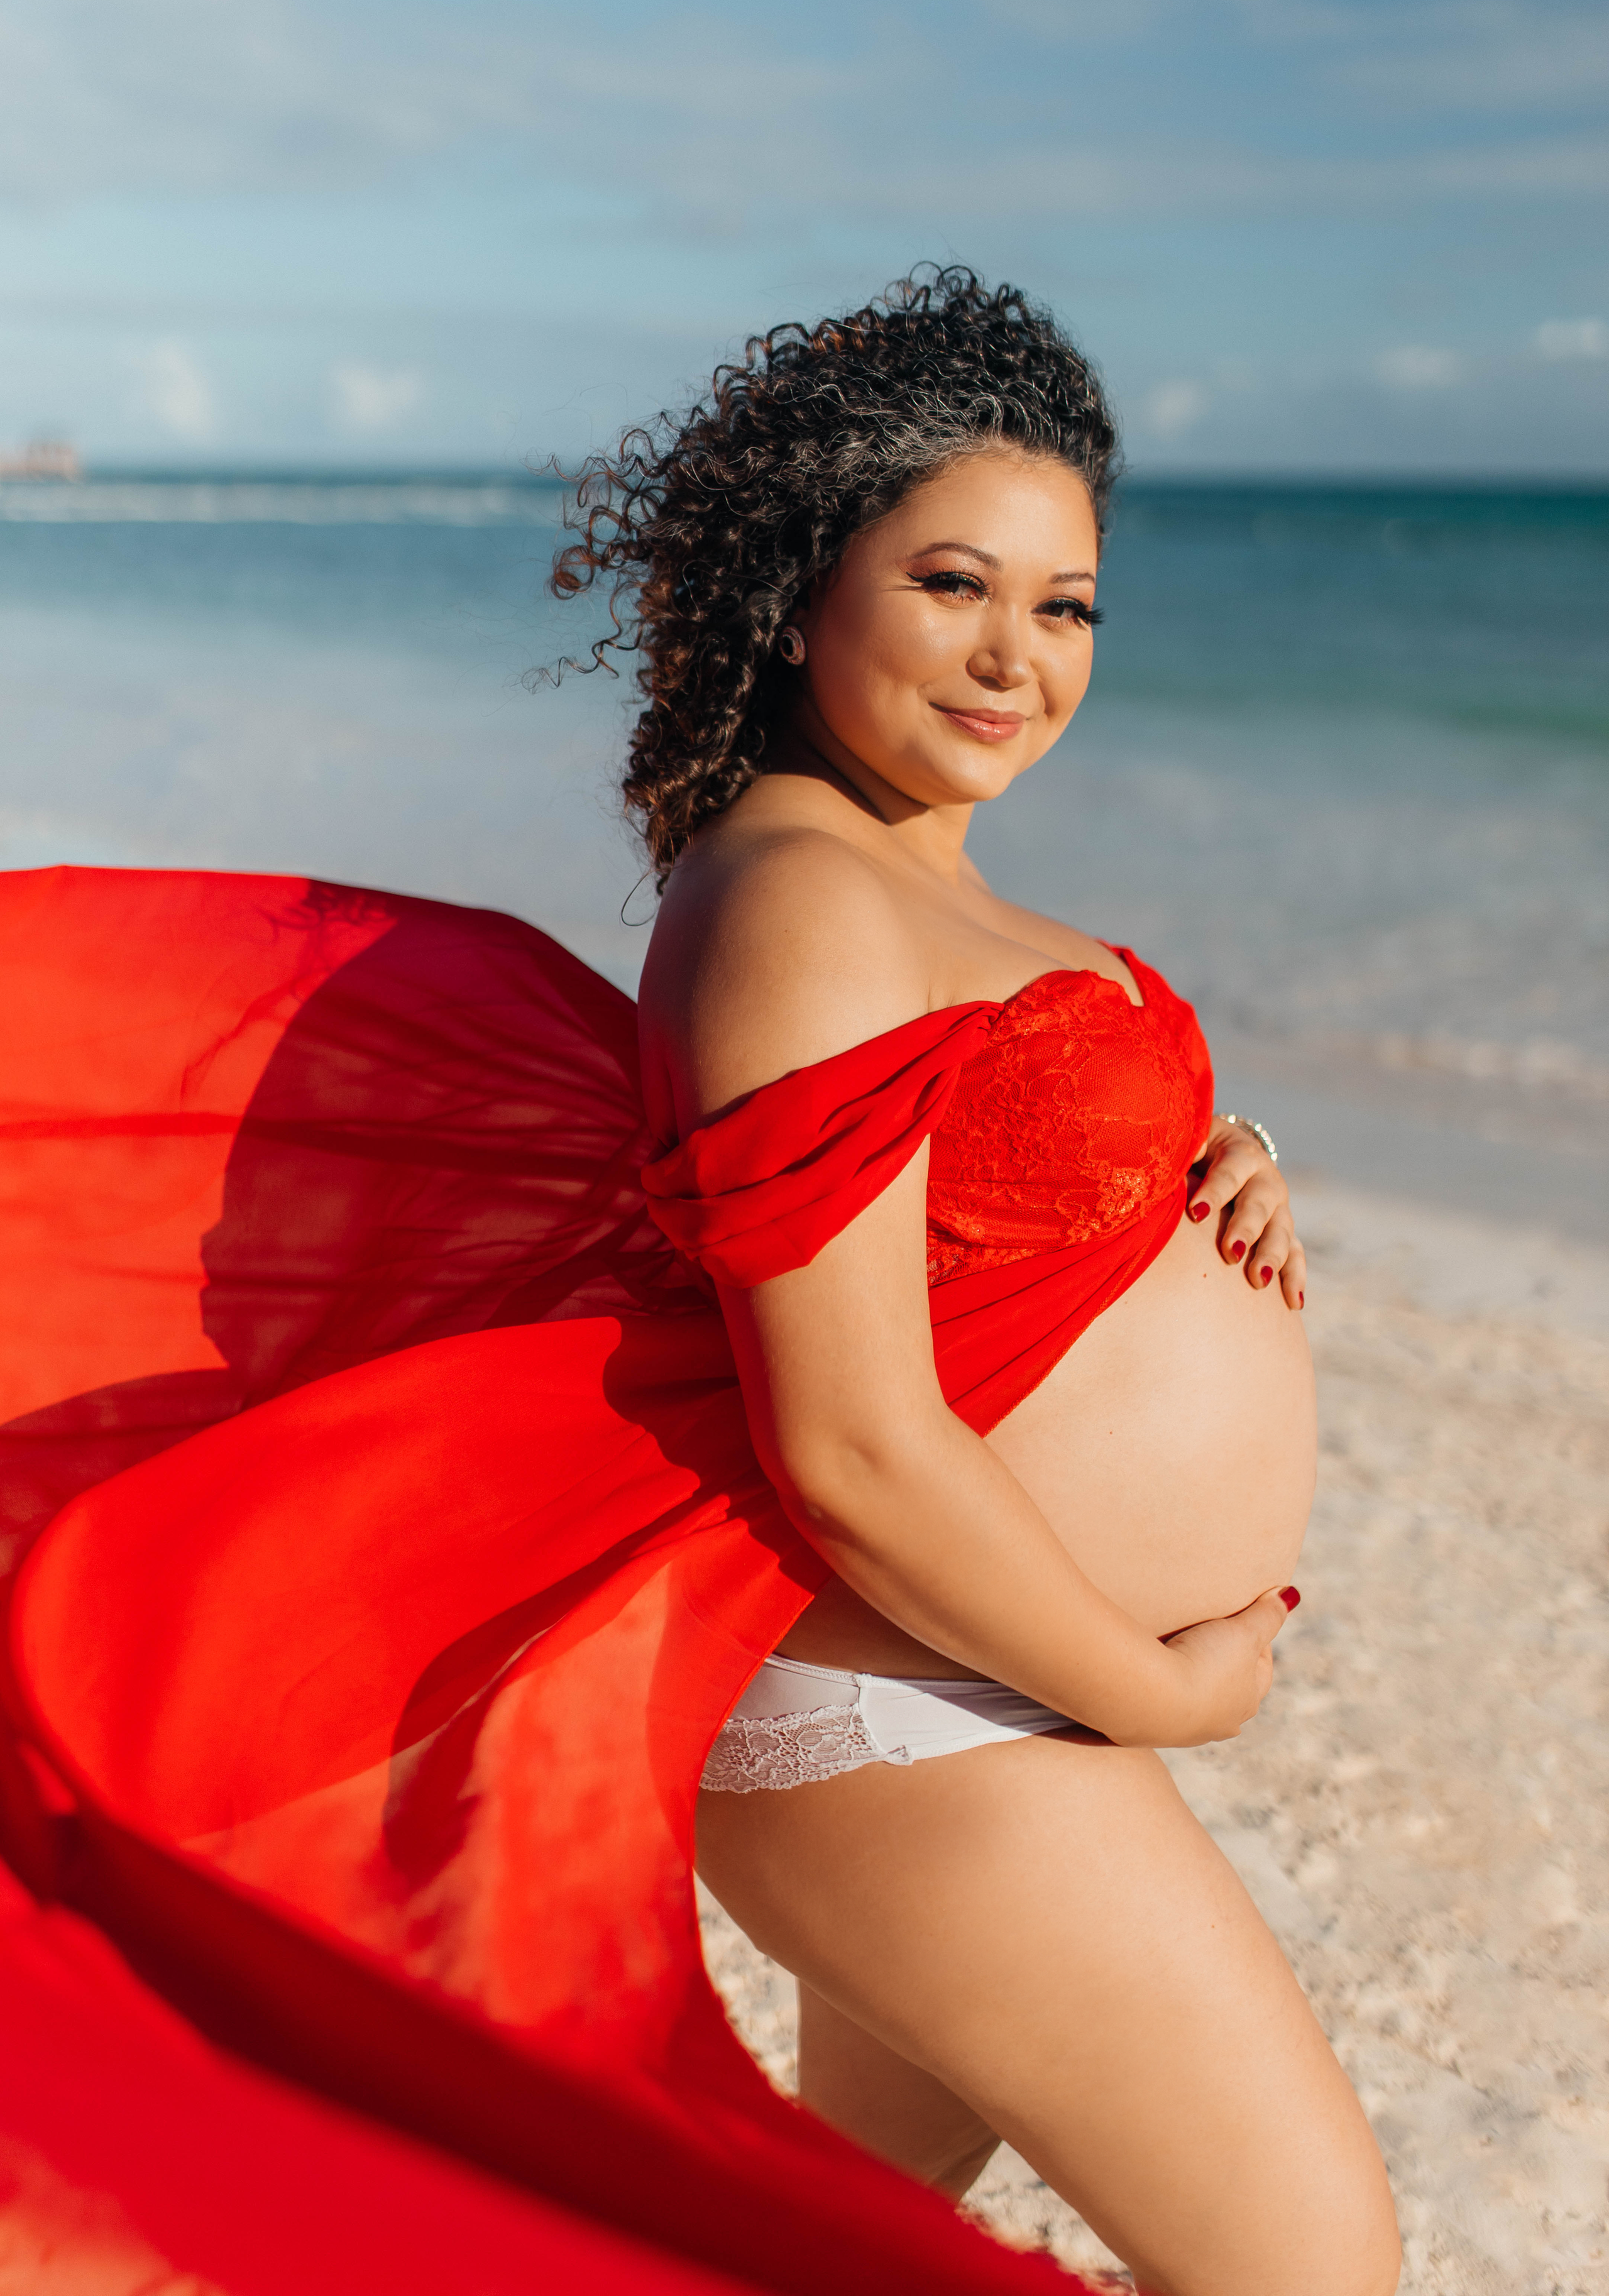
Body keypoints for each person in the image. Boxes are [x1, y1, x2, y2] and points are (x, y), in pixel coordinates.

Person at [0, 269, 1399, 2296]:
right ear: (803, 582)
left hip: (976, 1681)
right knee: (1307, 2266)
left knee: (832, 2239)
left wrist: (1201, 1171)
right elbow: (849, 1439)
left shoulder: (906, 875)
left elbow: (957, 1195)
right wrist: (1162, 1681)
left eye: (1067, 605)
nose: (1020, 657)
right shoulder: (803, 900)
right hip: (917, 1698)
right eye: (953, 586)